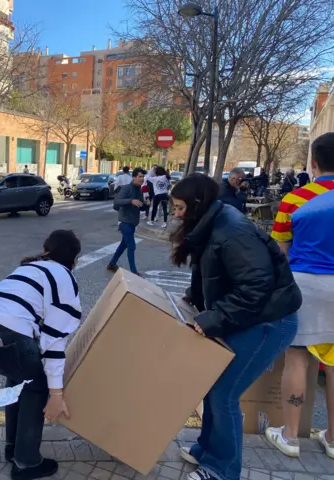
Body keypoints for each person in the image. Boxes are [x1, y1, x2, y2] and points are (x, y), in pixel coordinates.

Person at [169, 174, 301, 480]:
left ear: (196, 204)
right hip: (251, 316)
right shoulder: (213, 223)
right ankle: (208, 450)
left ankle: (222, 470)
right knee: (213, 387)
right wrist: (193, 298)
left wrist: (214, 319)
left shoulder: (231, 231)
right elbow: (215, 273)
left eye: (179, 208)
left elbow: (256, 286)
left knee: (224, 394)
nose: (175, 214)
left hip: (269, 321)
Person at [0, 230, 82, 480]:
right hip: (6, 335)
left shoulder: (30, 268)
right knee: (36, 385)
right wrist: (56, 395)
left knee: (19, 378)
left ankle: (13, 447)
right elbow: (54, 343)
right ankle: (27, 462)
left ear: (46, 248)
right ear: (75, 259)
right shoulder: (64, 278)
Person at [265, 132, 334, 458]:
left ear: (315, 163)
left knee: (297, 356)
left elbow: (281, 251)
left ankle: (290, 436)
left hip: (305, 282)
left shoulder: (295, 200)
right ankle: (333, 439)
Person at [106, 168, 149, 275]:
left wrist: (146, 205)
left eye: (143, 177)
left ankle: (111, 264)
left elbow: (141, 207)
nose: (141, 179)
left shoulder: (139, 189)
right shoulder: (127, 188)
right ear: (133, 177)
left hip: (132, 222)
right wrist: (131, 200)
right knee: (131, 245)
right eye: (139, 176)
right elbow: (116, 200)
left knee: (123, 245)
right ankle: (133, 272)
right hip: (124, 221)